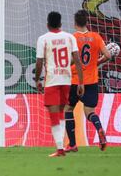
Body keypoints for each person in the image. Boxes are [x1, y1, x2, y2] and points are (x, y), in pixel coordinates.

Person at [35, 11, 84, 157]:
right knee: (61, 113)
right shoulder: (70, 37)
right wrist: (81, 82)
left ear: (47, 24)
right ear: (61, 24)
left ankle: (60, 148)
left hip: (52, 81)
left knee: (54, 115)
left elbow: (39, 62)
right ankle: (61, 147)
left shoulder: (43, 39)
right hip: (66, 80)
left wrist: (37, 79)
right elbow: (77, 60)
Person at [64, 10, 111, 152]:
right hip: (91, 82)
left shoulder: (72, 38)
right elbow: (108, 55)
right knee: (90, 112)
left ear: (75, 23)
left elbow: (70, 60)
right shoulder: (96, 37)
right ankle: (100, 128)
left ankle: (72, 144)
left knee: (68, 109)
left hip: (75, 81)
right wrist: (96, 63)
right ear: (87, 22)